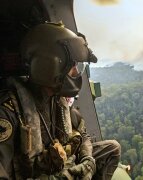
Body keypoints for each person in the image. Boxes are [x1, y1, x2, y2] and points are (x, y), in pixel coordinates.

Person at [0, 22, 121, 179]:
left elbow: (83, 134)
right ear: (49, 66)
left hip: (64, 166)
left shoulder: (57, 99)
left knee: (112, 148)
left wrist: (87, 159)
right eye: (72, 66)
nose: (76, 72)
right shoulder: (8, 112)